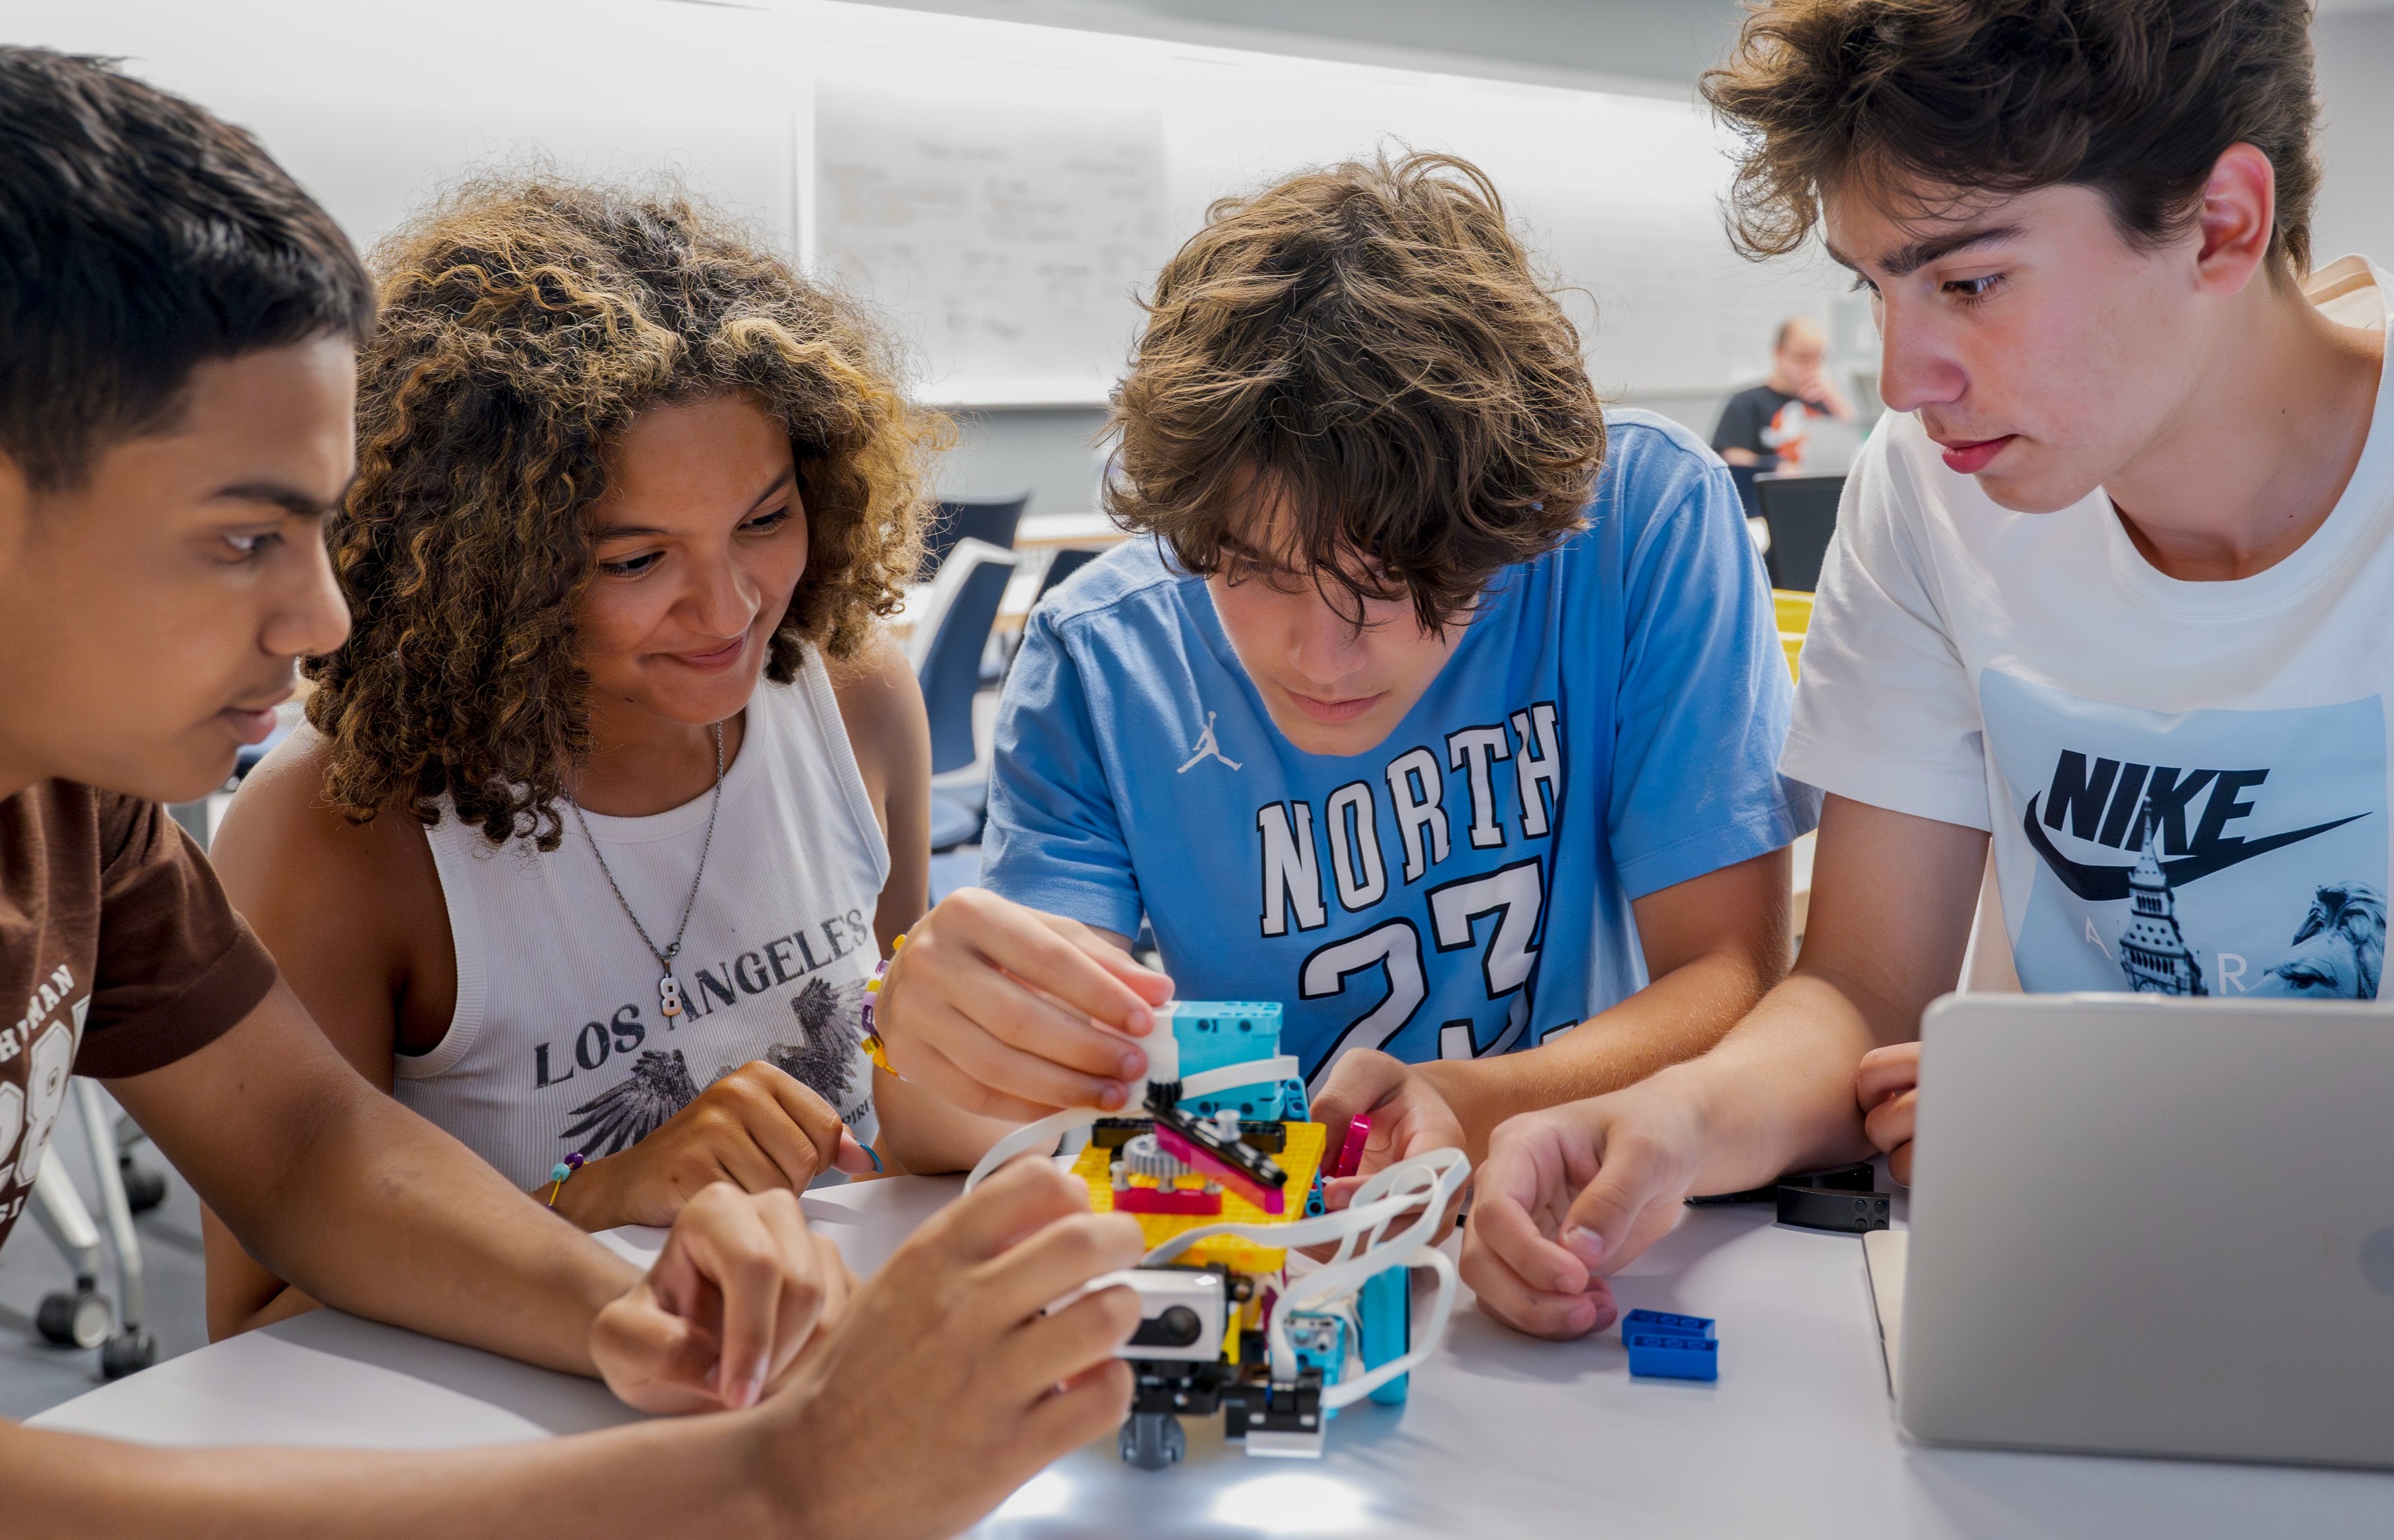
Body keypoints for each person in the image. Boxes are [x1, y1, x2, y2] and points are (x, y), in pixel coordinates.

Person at [0, 49, 1143, 1537]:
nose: (324, 617)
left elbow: (310, 1149)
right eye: (242, 540)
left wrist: (624, 1307)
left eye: (320, 533)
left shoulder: (59, 788)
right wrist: (781, 1478)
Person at [1454, 0, 2389, 1339]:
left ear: (2222, 224)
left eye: (1967, 282)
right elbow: (1861, 989)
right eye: (1873, 286)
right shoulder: (1938, 494)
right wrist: (1668, 1117)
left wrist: (2098, 1119)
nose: (1899, 378)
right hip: (2078, 1314)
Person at [872, 153, 1817, 1179]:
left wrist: (1474, 1104)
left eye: (1390, 578)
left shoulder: (1635, 521)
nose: (1321, 657)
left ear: (1509, 528)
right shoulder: (1102, 661)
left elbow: (1729, 977)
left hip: (1596, 1203)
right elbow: (982, 1115)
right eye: (1255, 569)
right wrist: (933, 1044)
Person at [202, 177, 1019, 1333]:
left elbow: (902, 1118)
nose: (730, 607)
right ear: (493, 563)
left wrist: (996, 1055)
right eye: (637, 560)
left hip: (822, 1392)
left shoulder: (850, 692)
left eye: (764, 520)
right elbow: (252, 1329)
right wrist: (596, 1203)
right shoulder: (339, 827)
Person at [1710, 315, 1858, 474]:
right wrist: (1776, 467)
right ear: (1779, 352)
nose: (1811, 367)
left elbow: (1854, 446)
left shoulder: (1824, 401)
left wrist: (1835, 398)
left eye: (1818, 358)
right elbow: (1732, 456)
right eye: (1802, 357)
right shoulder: (1747, 403)